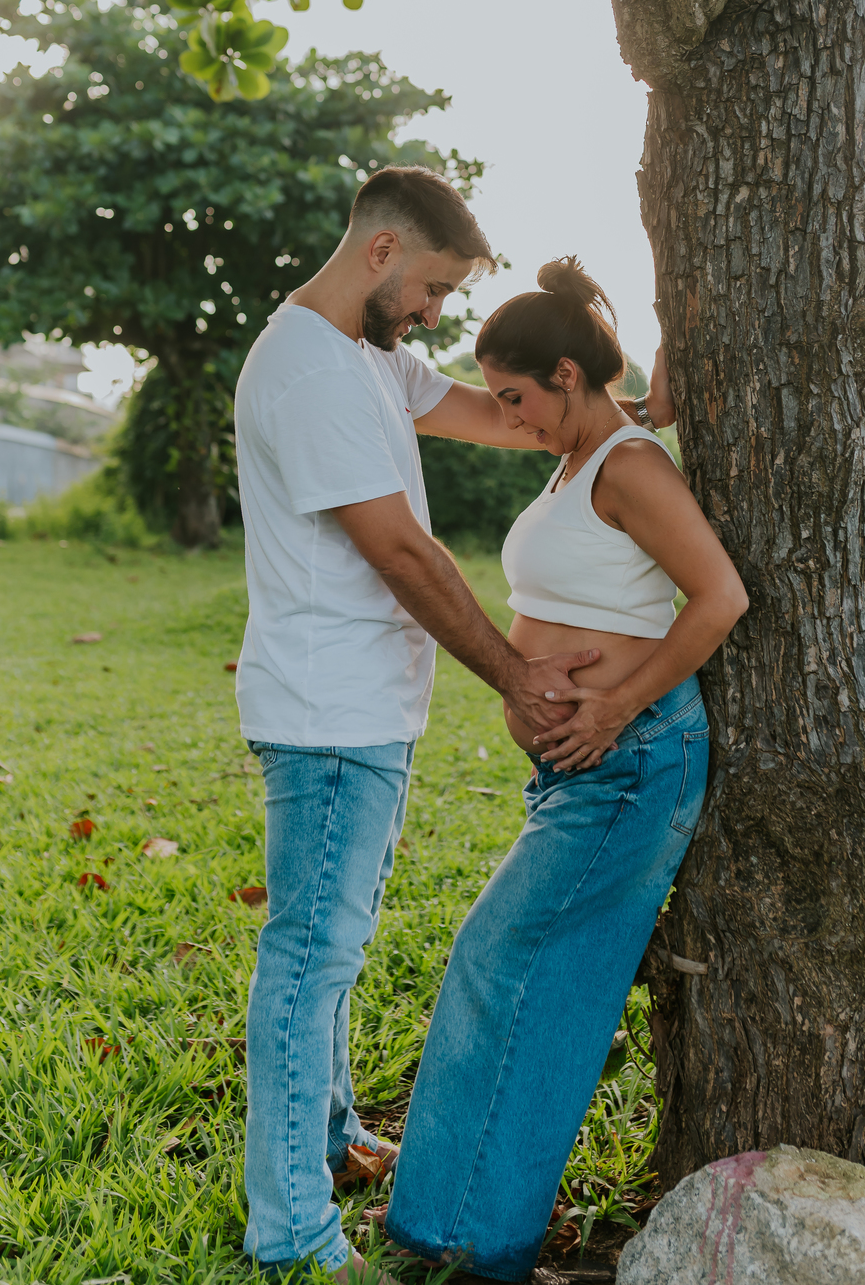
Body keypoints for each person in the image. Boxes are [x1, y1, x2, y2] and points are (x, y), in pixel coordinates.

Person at [232, 175, 674, 1282]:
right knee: (310, 957)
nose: (433, 313)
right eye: (430, 288)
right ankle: (289, 1228)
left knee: (333, 946)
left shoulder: (371, 357)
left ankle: (328, 1142)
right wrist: (517, 674)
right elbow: (402, 551)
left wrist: (633, 410)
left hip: (366, 705)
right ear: (382, 252)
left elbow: (504, 416)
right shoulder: (307, 369)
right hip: (330, 707)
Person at [383, 257, 749, 1283]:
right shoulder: (580, 450)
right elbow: (653, 382)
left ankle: (470, 1243)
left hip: (631, 762)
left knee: (505, 965)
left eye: (514, 397)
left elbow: (718, 597)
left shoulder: (630, 465)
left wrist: (618, 704)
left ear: (565, 376)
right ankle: (452, 1231)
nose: (506, 417)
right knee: (522, 979)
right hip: (582, 772)